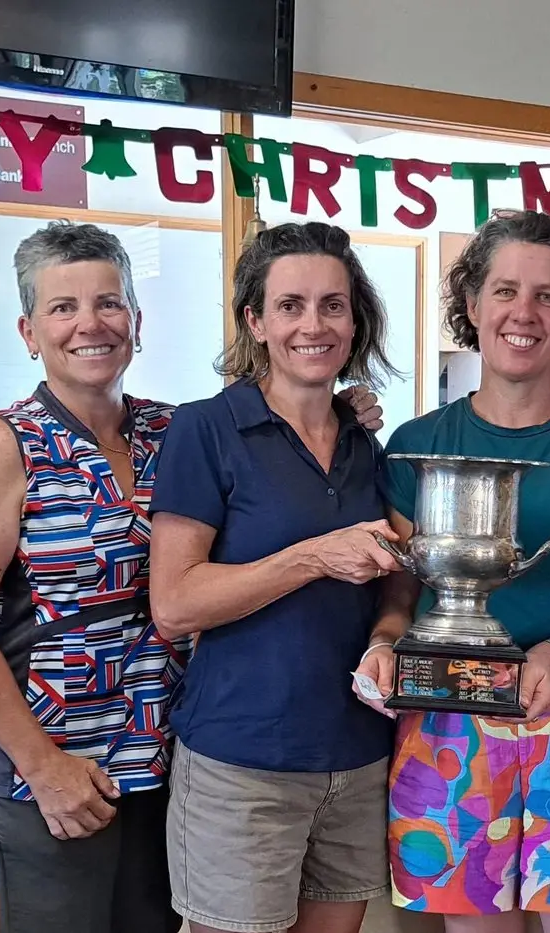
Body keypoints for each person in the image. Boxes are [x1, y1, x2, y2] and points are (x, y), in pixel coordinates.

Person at [353, 209, 550, 931]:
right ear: (471, 306)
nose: (522, 313)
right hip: (451, 721)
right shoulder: (418, 441)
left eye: (548, 295)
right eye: (504, 291)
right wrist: (384, 642)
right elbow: (403, 588)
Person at [0, 221, 190, 933]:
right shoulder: (2, 443)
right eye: (63, 308)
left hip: (161, 764)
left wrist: (344, 411)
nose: (90, 324)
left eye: (108, 302)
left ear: (136, 320)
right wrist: (44, 768)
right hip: (52, 770)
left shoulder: (174, 432)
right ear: (29, 330)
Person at [146, 221, 403, 933]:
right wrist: (313, 556)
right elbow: (173, 604)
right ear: (255, 321)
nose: (312, 324)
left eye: (333, 305)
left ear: (356, 321)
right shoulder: (206, 429)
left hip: (356, 756)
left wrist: (388, 634)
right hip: (242, 764)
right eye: (290, 305)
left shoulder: (365, 440)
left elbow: (394, 581)